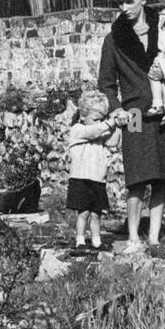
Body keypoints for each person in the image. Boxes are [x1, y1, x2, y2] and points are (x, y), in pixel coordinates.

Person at [97, 0, 165, 253]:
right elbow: (106, 84)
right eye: (120, 3)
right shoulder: (114, 39)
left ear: (143, 0)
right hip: (135, 113)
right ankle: (134, 237)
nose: (123, 8)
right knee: (137, 177)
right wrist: (118, 110)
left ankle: (154, 237)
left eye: (129, 1)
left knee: (161, 175)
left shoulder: (163, 27)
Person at [67, 89, 119, 255]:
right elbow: (92, 132)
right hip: (81, 179)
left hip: (97, 179)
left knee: (96, 214)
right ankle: (80, 240)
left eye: (102, 119)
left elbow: (112, 142)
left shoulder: (99, 131)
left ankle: (97, 241)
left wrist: (118, 125)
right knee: (83, 213)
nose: (99, 123)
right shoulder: (77, 130)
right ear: (83, 116)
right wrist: (109, 123)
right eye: (96, 119)